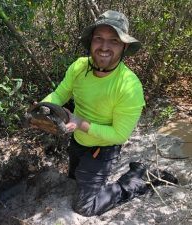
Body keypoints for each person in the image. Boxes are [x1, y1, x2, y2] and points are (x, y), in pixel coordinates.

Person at [39, 10, 177, 216]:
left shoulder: (129, 86)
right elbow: (59, 94)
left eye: (114, 40)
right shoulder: (79, 67)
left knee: (85, 207)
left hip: (103, 151)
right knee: (74, 181)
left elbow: (120, 135)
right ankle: (135, 171)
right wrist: (45, 107)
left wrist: (80, 123)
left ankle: (138, 179)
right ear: (91, 41)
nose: (104, 47)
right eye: (99, 39)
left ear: (125, 46)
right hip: (78, 142)